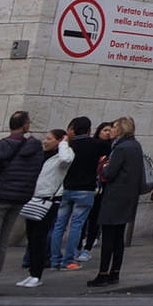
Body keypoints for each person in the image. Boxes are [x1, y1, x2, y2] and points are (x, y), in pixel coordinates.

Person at [88, 116, 143, 288]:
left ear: (120, 129)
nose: (111, 130)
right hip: (128, 196)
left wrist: (103, 168)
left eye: (113, 127)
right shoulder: (135, 146)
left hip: (115, 196)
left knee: (109, 237)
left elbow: (110, 173)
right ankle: (114, 272)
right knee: (118, 236)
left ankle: (103, 273)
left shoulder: (120, 148)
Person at [52, 116, 110, 271]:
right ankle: (69, 260)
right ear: (89, 130)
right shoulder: (95, 145)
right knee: (76, 226)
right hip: (86, 189)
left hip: (67, 187)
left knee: (59, 225)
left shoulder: (69, 145)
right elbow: (109, 149)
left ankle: (54, 259)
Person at [18, 127, 69, 287]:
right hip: (34, 199)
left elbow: (66, 159)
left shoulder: (63, 155)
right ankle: (32, 272)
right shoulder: (41, 154)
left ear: (59, 140)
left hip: (48, 201)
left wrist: (64, 144)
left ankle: (37, 274)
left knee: (39, 238)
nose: (45, 141)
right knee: (32, 237)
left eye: (49, 138)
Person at [0, 110, 38, 268]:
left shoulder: (3, 145)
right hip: (20, 198)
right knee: (3, 239)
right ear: (24, 126)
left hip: (1, 196)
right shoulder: (35, 147)